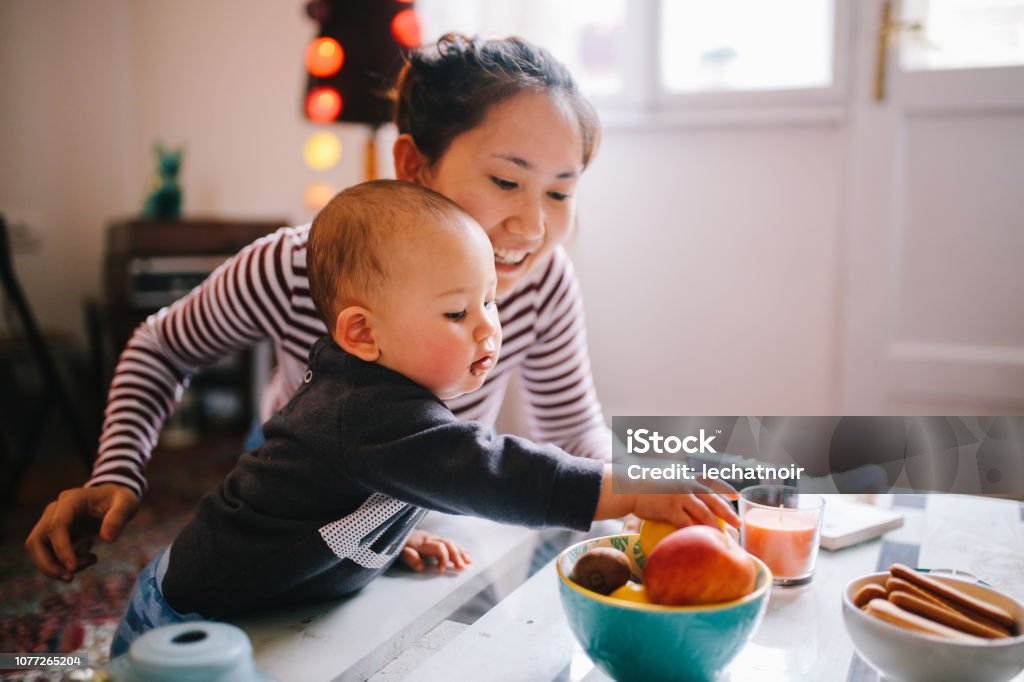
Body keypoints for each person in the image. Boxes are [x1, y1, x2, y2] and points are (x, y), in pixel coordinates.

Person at [27, 33, 609, 581]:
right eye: (507, 182)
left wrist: (681, 477)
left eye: (560, 192)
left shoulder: (543, 279)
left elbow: (576, 430)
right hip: (302, 498)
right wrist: (116, 471)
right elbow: (160, 348)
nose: (533, 226)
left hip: (429, 501)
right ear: (413, 164)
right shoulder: (293, 265)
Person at [108, 180, 739, 655]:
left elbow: (338, 488)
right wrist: (622, 487)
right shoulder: (365, 412)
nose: (488, 328)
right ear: (362, 332)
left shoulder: (384, 397)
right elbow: (491, 470)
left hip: (273, 601)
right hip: (186, 623)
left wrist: (383, 536)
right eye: (457, 313)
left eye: (488, 301)